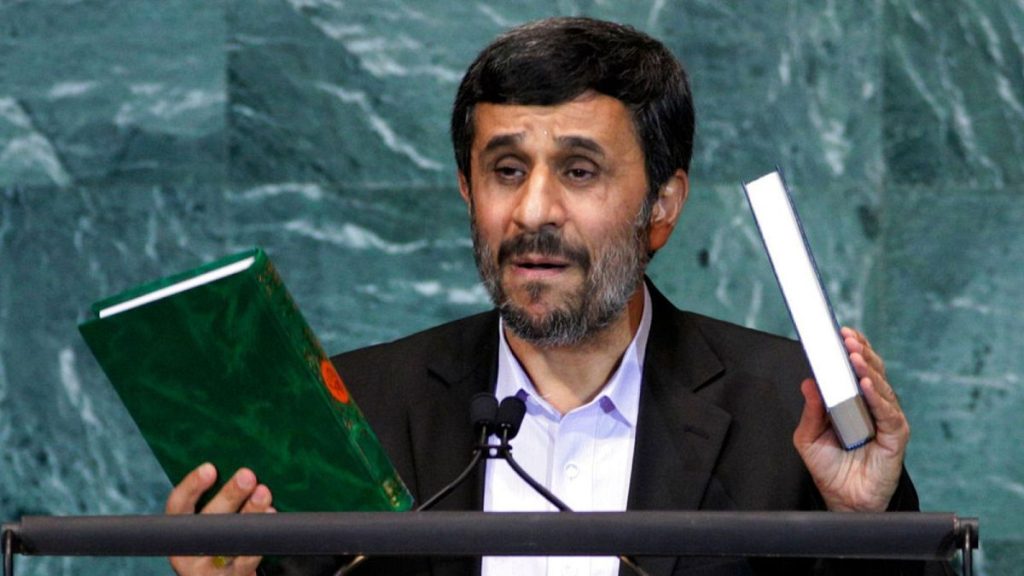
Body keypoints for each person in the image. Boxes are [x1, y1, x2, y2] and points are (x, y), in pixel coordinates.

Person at [165, 16, 946, 576]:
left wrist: (864, 526)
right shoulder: (355, 408)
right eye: (507, 171)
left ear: (663, 208)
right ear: (468, 190)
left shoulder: (786, 412)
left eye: (579, 171)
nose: (533, 212)